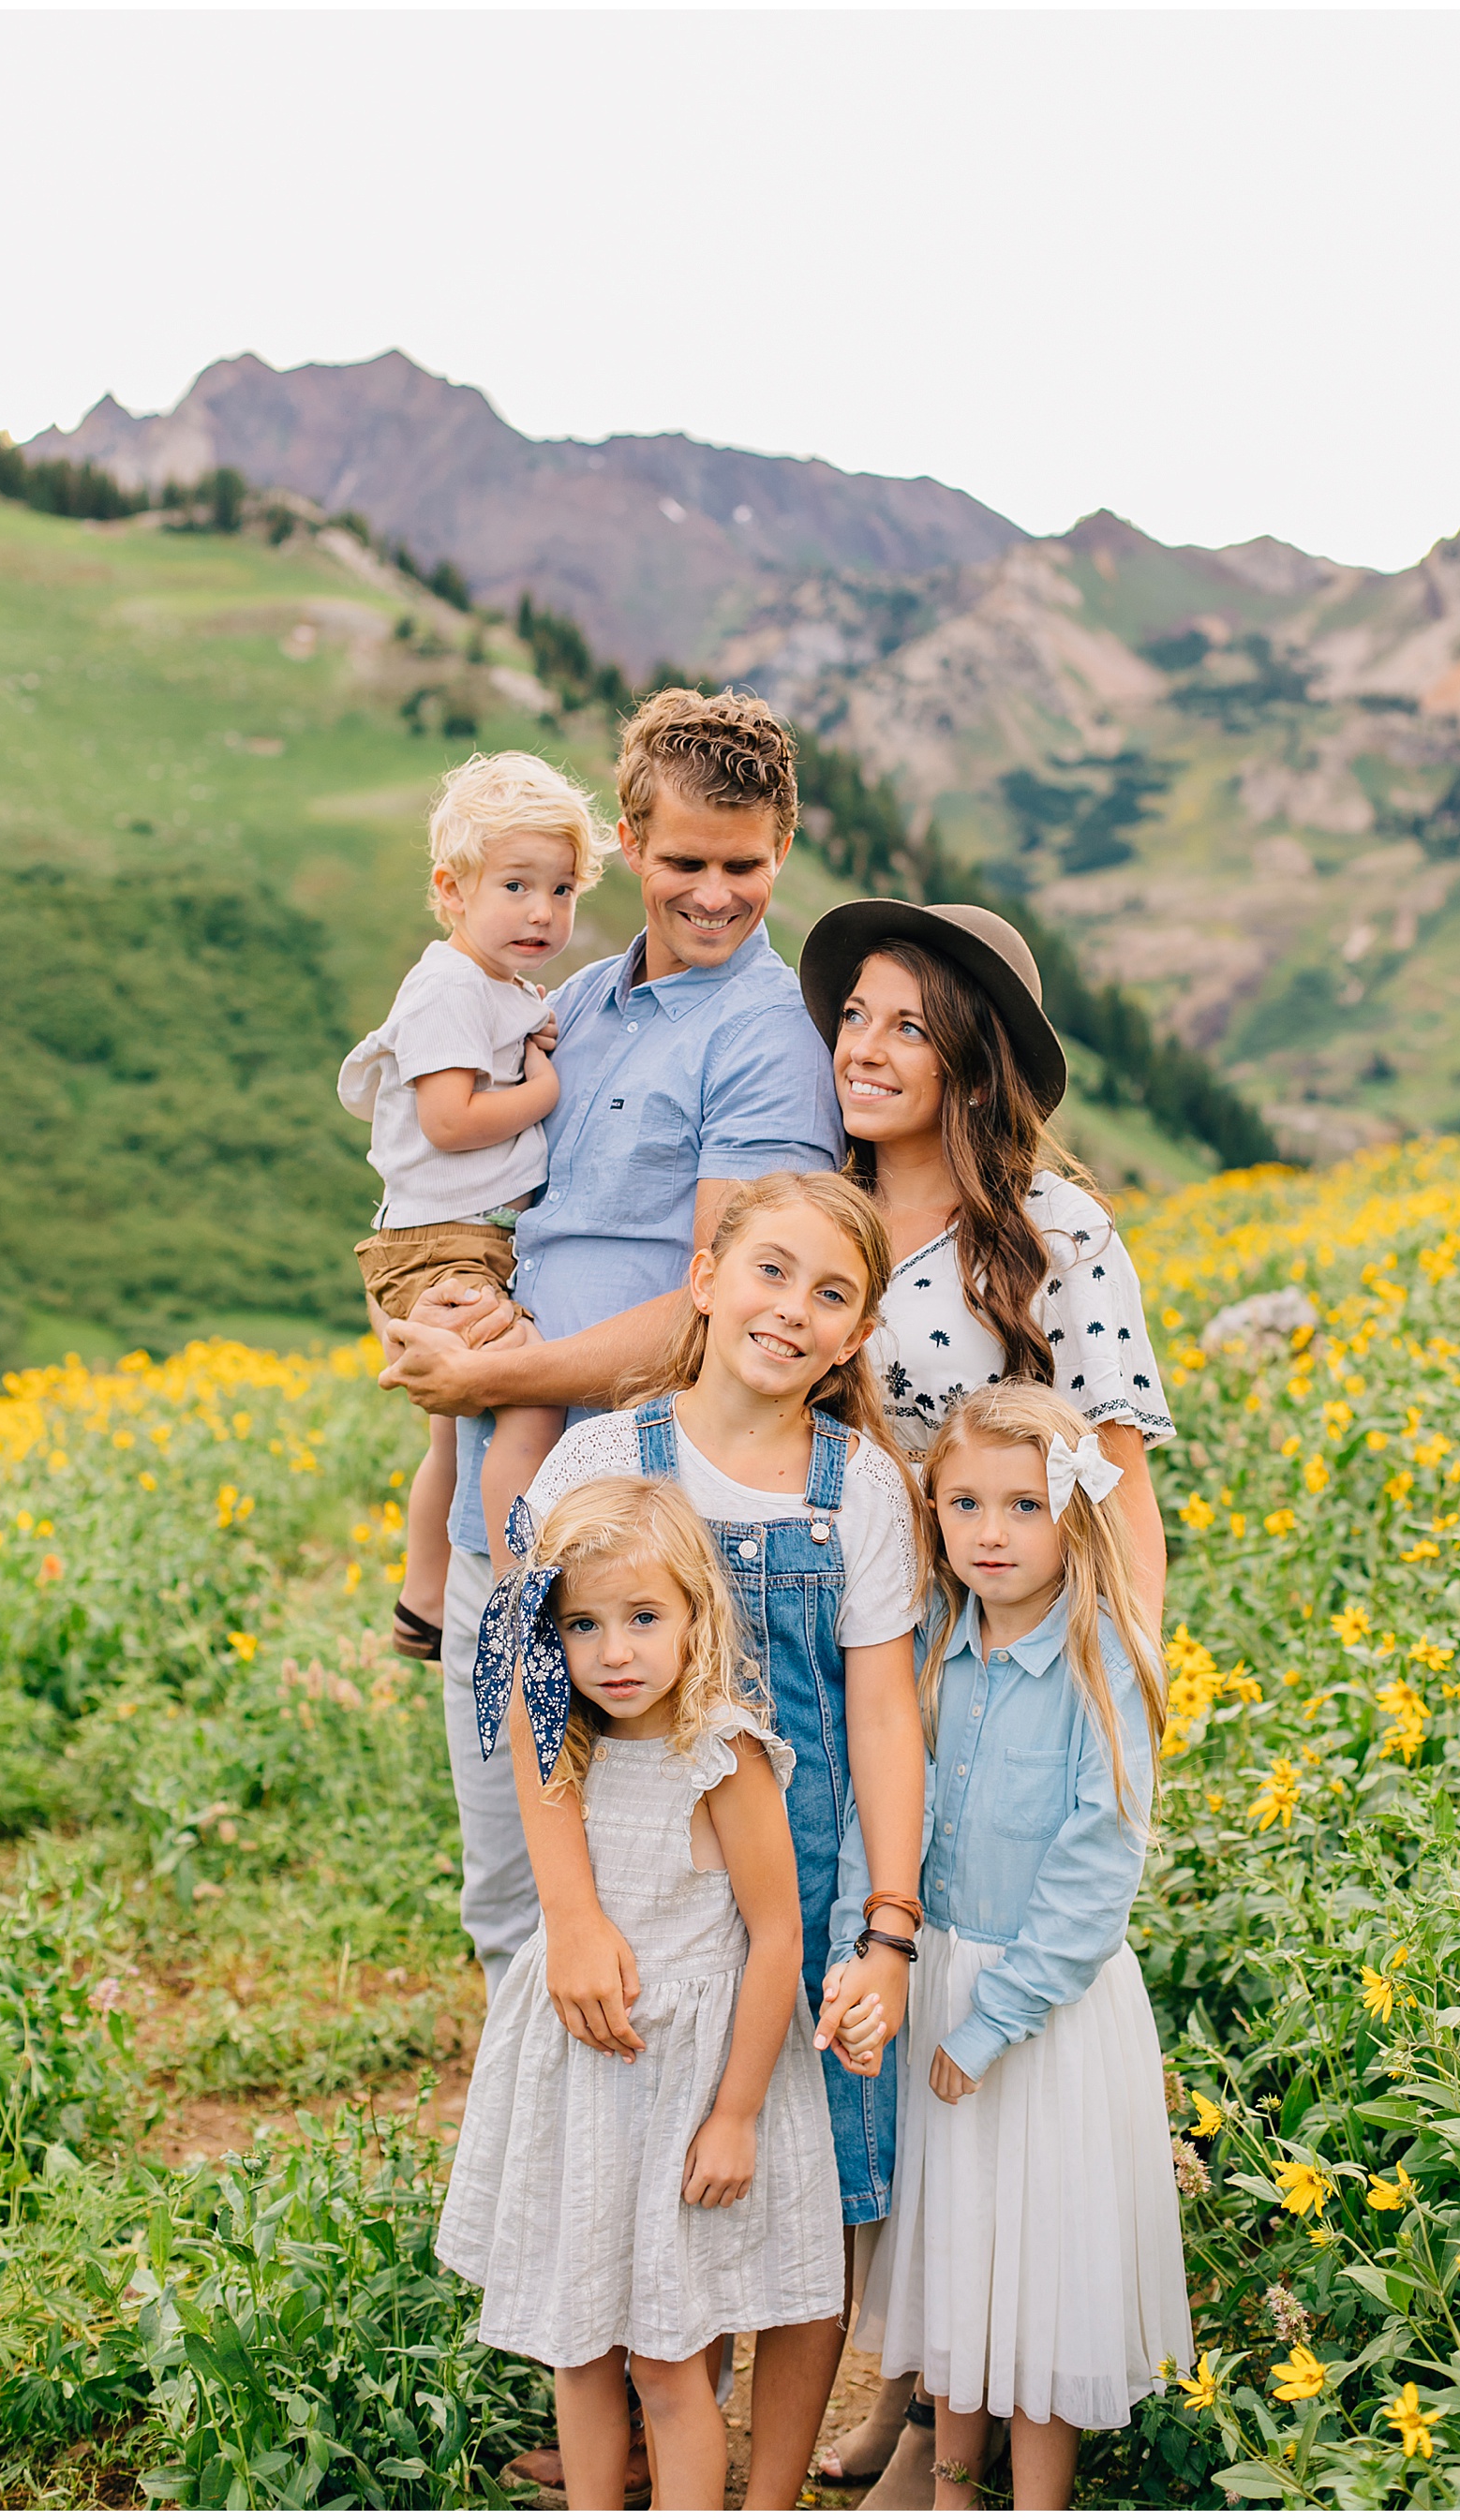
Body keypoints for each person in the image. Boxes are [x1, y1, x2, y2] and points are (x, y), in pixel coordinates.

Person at [379, 690, 843, 2007]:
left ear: (783, 852)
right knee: (508, 1892)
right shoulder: (568, 999)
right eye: (685, 860)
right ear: (629, 841)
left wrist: (495, 1376)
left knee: (641, 1895)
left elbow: (723, 1312)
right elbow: (477, 1191)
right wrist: (447, 1315)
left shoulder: (769, 1040)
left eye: (744, 865)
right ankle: (534, 2195)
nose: (714, 893)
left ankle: (630, 2197)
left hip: (642, 1539)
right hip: (498, 1518)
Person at [796, 897, 1178, 2495]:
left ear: (970, 1064)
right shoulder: (821, 1221)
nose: (863, 1049)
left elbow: (1119, 1480)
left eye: (905, 1025)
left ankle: (952, 2413)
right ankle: (907, 2374)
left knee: (974, 2020)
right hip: (841, 1658)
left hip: (997, 1676)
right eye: (854, 1018)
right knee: (865, 2025)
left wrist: (1117, 1699)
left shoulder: (1056, 1232)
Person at [513, 1169, 928, 2509]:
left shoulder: (856, 1484)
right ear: (703, 1280)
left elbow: (880, 1718)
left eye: (831, 1294)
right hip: (637, 1904)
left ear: (858, 1334)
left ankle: (770, 2491)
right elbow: (532, 1710)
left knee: (811, 2191)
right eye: (769, 1271)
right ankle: (656, 2448)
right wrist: (569, 1914)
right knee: (646, 2176)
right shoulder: (597, 1461)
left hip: (800, 1893)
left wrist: (888, 1918)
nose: (792, 1310)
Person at [435, 1475, 847, 2512]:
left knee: (668, 2359)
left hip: (691, 2088)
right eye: (583, 1623)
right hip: (589, 2086)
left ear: (697, 1615)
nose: (614, 1651)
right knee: (579, 2349)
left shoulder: (720, 1753)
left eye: (643, 1617)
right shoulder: (565, 1738)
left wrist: (739, 2112)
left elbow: (776, 1937)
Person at [827, 1382, 1193, 2511]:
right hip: (936, 1978)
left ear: (1073, 1515)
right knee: (960, 2262)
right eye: (966, 1502)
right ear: (932, 1509)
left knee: (1041, 2279)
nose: (991, 1531)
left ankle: (1036, 2498)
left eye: (1024, 1505)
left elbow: (1095, 1873)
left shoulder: (1105, 1663)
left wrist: (995, 2019)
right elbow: (876, 1810)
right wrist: (858, 1948)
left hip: (1044, 2013)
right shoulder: (932, 1646)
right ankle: (949, 2486)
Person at [337, 751, 609, 1668]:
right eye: (517, 885)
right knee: (522, 1396)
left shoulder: (505, 986)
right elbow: (450, 1120)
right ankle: (514, 1607)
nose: (543, 911)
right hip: (440, 1238)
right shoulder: (449, 987)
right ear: (451, 891)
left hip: (470, 1233)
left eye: (562, 888)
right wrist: (543, 1088)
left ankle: (423, 1597)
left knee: (454, 1436)